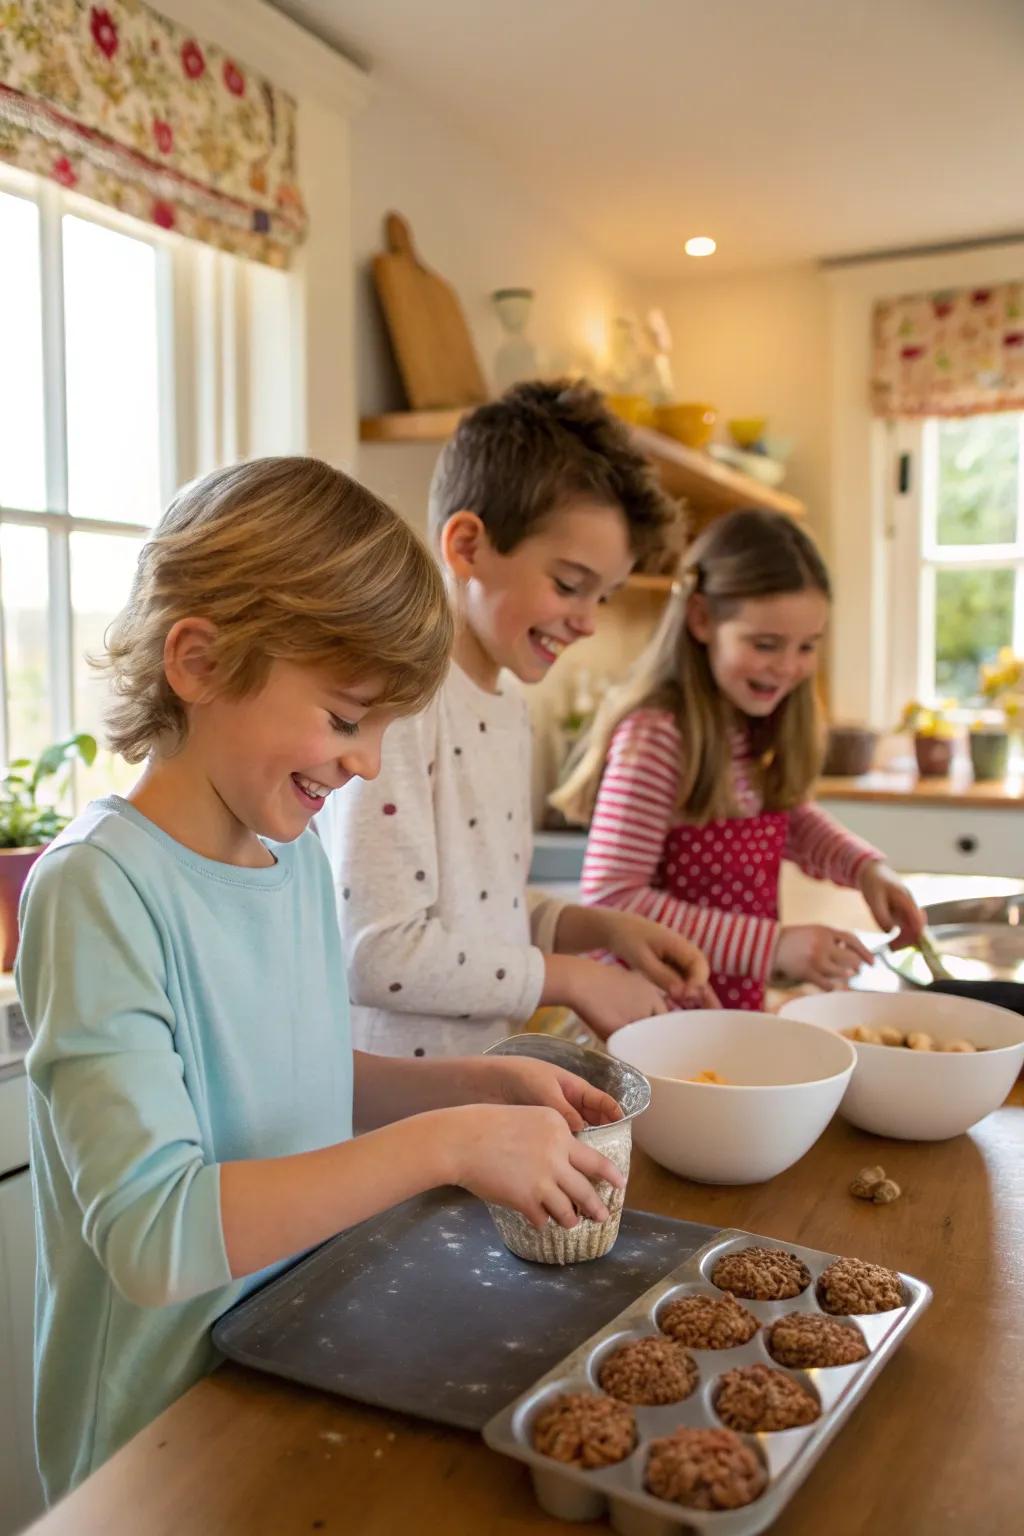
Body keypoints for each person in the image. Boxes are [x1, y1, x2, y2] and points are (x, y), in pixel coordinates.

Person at [17, 457, 627, 1502]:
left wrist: (474, 1088)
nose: (367, 765)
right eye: (348, 720)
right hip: (158, 1436)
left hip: (290, 1358)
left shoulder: (284, 853)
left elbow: (295, 1079)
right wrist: (444, 1143)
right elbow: (154, 1239)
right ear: (200, 661)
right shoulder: (99, 892)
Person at [319, 382, 713, 1058]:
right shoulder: (402, 704)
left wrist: (601, 930)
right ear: (468, 546)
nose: (588, 620)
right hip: (395, 1121)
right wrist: (570, 979)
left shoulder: (505, 705)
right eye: (568, 584)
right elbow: (377, 953)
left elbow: (478, 912)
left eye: (604, 595)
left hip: (475, 1098)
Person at [553, 508, 924, 1009]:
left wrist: (864, 868)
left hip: (721, 1012)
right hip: (652, 1020)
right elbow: (612, 900)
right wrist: (772, 946)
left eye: (807, 646)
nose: (789, 666)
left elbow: (784, 817)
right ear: (702, 619)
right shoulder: (657, 737)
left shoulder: (745, 725)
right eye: (766, 644)